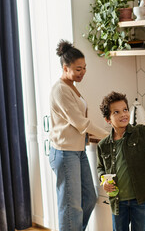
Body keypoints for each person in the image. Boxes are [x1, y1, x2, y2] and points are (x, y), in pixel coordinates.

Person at [49, 40, 109, 231]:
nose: (82, 72)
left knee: (89, 198)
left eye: (84, 68)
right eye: (77, 69)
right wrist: (109, 134)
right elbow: (81, 123)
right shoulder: (60, 90)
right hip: (65, 153)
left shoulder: (71, 86)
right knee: (71, 207)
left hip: (77, 151)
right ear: (65, 68)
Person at [97, 91, 145, 231]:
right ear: (108, 119)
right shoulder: (103, 145)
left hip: (139, 199)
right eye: (116, 112)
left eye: (125, 109)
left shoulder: (140, 132)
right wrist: (103, 180)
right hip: (117, 201)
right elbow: (101, 168)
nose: (123, 114)